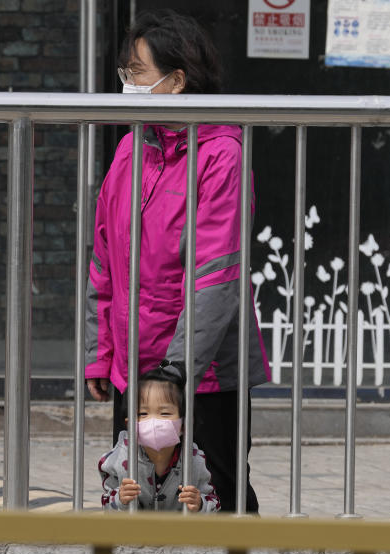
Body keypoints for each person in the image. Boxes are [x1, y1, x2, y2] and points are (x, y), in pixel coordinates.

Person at [84, 9, 270, 513]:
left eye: (138, 73)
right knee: (140, 493)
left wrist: (175, 372)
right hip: (136, 370)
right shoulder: (130, 149)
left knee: (215, 496)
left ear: (178, 80)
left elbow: (216, 275)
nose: (128, 84)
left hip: (200, 377)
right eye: (125, 74)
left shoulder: (222, 154)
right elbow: (103, 259)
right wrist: (102, 352)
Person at [98, 362, 220, 512]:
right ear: (130, 425)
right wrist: (120, 499)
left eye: (165, 413)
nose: (154, 421)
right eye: (143, 414)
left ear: (184, 423)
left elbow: (214, 503)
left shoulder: (195, 460)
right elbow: (106, 505)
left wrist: (200, 504)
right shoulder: (118, 458)